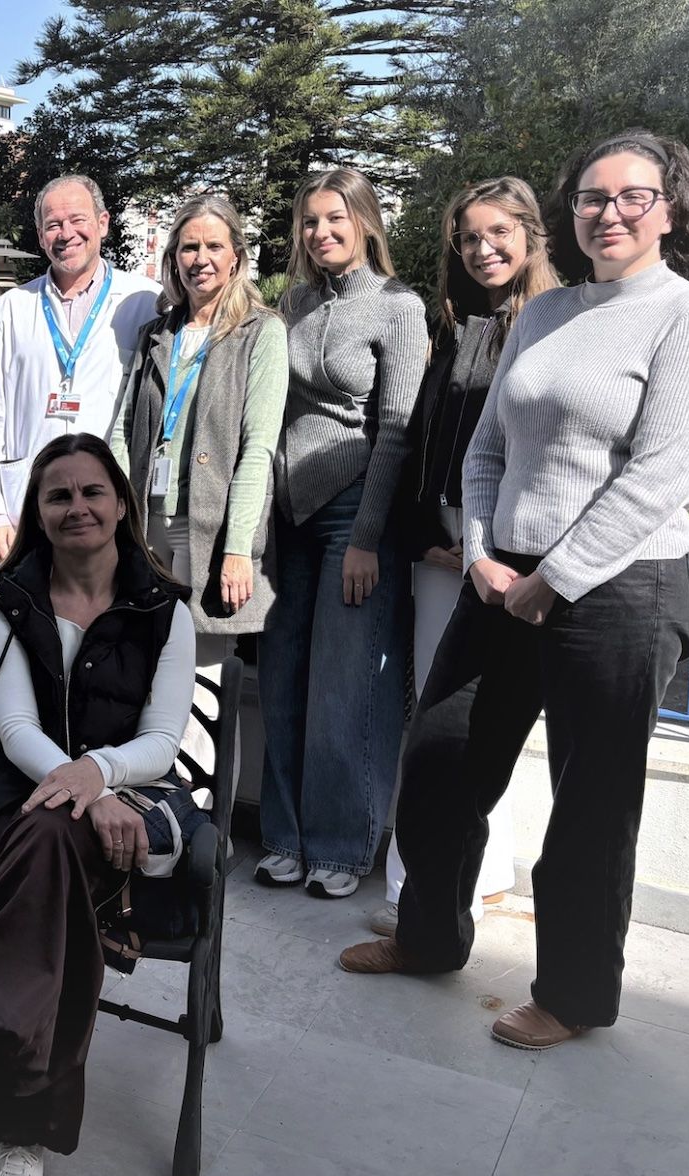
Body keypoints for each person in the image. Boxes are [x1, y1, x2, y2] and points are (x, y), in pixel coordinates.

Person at [339, 131, 689, 1052]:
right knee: (437, 765)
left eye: (632, 196)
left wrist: (554, 580)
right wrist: (482, 551)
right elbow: (487, 449)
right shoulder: (544, 312)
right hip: (501, 576)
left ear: (671, 210)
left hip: (620, 590)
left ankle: (573, 994)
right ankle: (431, 939)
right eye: (592, 197)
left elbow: (661, 474)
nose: (607, 212)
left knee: (590, 805)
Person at [0, 434, 195, 1176]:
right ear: (37, 510)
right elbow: (15, 726)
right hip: (17, 803)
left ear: (121, 503)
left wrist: (99, 776)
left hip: (114, 808)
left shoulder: (164, 609)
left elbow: (162, 740)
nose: (76, 508)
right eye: (57, 495)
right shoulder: (6, 600)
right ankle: (18, 1138)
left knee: (49, 847)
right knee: (50, 866)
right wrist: (81, 789)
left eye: (91, 491)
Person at [371, 177, 560, 939]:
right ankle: (422, 889)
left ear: (530, 235)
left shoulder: (553, 321)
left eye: (497, 234)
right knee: (436, 721)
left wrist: (489, 543)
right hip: (441, 550)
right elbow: (420, 436)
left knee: (483, 721)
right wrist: (426, 538)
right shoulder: (455, 326)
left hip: (507, 553)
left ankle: (460, 885)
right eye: (469, 239)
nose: (483, 250)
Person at [255, 167, 426, 900]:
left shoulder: (397, 307)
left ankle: (340, 844)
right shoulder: (288, 304)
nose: (320, 233)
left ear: (363, 222)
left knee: (343, 689)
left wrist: (365, 536)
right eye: (309, 221)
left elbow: (395, 432)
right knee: (283, 681)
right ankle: (283, 837)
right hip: (286, 516)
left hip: (350, 515)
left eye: (334, 219)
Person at [114, 194, 289, 768]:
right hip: (147, 526)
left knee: (203, 680)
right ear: (172, 257)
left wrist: (239, 549)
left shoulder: (261, 332)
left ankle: (202, 826)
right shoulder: (156, 334)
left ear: (237, 256)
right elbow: (121, 431)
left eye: (215, 246)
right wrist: (114, 525)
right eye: (189, 246)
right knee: (145, 673)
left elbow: (258, 448)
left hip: (208, 531)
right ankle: (152, 805)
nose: (201, 258)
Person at [0, 175, 160, 569]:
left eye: (77, 220)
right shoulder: (12, 308)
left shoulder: (144, 301)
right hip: (26, 509)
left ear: (102, 223)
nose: (66, 233)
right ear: (40, 234)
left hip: (112, 505)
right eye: (53, 225)